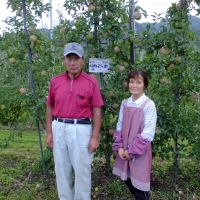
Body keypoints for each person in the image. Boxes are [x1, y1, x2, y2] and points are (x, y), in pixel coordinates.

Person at [46, 42, 104, 200]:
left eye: (76, 58)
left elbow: (97, 110)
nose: (73, 63)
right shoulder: (55, 81)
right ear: (64, 60)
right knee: (61, 169)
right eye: (69, 58)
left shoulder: (91, 82)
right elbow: (50, 106)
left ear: (83, 60)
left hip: (81, 129)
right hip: (59, 127)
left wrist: (95, 137)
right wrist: (49, 132)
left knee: (82, 170)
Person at [112, 70, 157, 200]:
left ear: (145, 85)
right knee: (128, 179)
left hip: (138, 150)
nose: (134, 85)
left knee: (139, 186)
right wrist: (119, 147)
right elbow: (119, 125)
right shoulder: (125, 103)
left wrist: (131, 151)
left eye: (138, 82)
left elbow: (148, 132)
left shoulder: (148, 105)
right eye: (132, 82)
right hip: (124, 148)